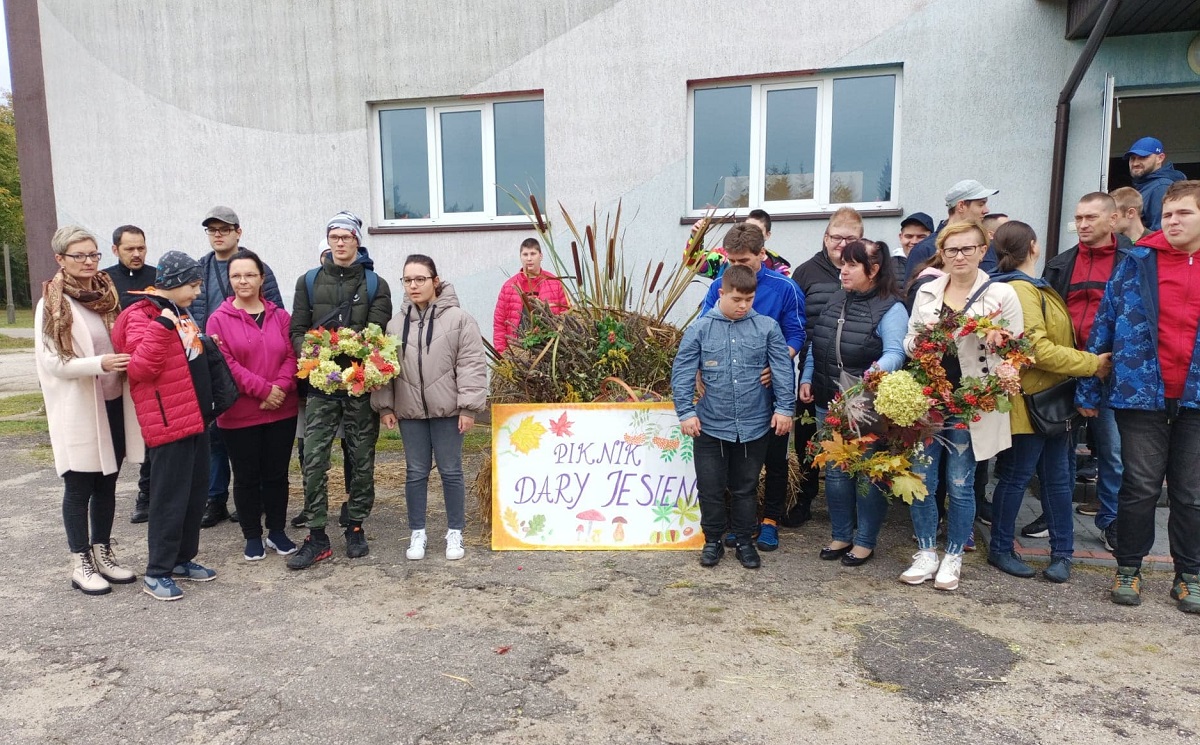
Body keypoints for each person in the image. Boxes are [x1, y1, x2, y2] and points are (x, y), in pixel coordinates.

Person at [1080, 180, 1200, 614]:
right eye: (1168, 214)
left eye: (1183, 213)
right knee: (1140, 487)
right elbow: (1106, 321)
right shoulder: (1137, 261)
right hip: (1140, 391)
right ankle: (1128, 567)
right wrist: (1090, 384)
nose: (1173, 221)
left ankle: (1189, 575)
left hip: (1196, 396)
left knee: (1190, 493)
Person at [988, 221, 1111, 583]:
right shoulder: (1022, 290)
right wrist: (1092, 365)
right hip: (1032, 400)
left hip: (1050, 401)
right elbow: (1037, 350)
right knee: (1017, 477)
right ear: (1034, 246)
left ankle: (1062, 555)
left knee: (1057, 480)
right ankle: (1000, 549)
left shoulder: (1030, 287)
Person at [902, 221, 1022, 591]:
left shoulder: (1001, 294)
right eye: (952, 250)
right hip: (930, 401)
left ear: (982, 250)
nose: (959, 256)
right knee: (922, 479)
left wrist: (998, 342)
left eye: (967, 249)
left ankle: (953, 555)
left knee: (960, 482)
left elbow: (1017, 354)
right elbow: (909, 340)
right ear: (942, 252)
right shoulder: (927, 292)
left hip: (972, 403)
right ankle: (926, 551)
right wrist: (919, 347)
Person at [36, 226, 141, 596]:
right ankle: (80, 560)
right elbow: (52, 363)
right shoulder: (52, 302)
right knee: (79, 485)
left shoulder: (106, 296)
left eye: (93, 254)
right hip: (79, 409)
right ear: (60, 259)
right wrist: (100, 364)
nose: (87, 262)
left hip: (112, 404)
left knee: (107, 483)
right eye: (78, 255)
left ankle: (104, 551)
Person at [287, 212, 392, 569]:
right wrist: (318, 359)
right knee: (313, 461)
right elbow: (297, 329)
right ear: (327, 240)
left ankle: (356, 523)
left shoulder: (376, 284)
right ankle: (317, 535)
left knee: (361, 461)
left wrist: (356, 358)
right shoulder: (309, 281)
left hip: (360, 387)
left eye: (347, 236)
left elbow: (376, 335)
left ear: (357, 241)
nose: (340, 242)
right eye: (334, 236)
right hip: (320, 388)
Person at [672, 264, 795, 569]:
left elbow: (781, 369)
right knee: (711, 487)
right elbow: (683, 371)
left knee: (745, 487)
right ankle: (712, 541)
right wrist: (686, 411)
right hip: (710, 425)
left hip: (754, 425)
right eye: (737, 299)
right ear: (722, 293)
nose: (743, 306)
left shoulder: (767, 327)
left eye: (749, 299)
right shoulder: (700, 329)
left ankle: (744, 540)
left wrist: (784, 409)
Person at [113, 251, 218, 601]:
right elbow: (140, 369)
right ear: (171, 285)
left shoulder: (181, 311)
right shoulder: (141, 316)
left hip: (196, 418)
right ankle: (157, 571)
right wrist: (163, 325)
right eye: (192, 285)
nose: (198, 292)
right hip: (169, 421)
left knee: (193, 494)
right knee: (169, 498)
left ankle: (182, 559)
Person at [799, 240, 908, 566]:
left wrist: (873, 374)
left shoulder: (891, 307)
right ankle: (841, 534)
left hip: (864, 405)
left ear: (873, 270)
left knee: (866, 475)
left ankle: (864, 541)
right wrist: (807, 376)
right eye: (842, 264)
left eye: (851, 265)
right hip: (827, 400)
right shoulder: (836, 297)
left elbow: (896, 353)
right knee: (835, 473)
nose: (842, 270)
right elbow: (819, 342)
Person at [373, 255, 487, 561]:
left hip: (448, 412)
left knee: (451, 472)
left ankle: (455, 532)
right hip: (410, 413)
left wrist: (468, 407)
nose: (413, 286)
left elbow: (472, 365)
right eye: (407, 280)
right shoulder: (395, 324)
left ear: (435, 281)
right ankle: (418, 532)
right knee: (415, 472)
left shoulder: (459, 320)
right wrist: (385, 406)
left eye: (420, 279)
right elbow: (384, 368)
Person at [699, 223, 805, 551]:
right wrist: (701, 368)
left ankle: (770, 520)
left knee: (774, 458)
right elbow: (704, 328)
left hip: (769, 388)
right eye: (732, 261)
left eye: (744, 261)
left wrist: (777, 363)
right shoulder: (720, 285)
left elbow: (797, 334)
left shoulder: (785, 288)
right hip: (730, 392)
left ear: (762, 255)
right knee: (734, 460)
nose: (737, 267)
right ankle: (737, 525)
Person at [1043, 192, 1133, 550]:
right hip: (1067, 367)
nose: (1082, 225)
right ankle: (1055, 514)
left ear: (1113, 220)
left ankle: (1111, 519)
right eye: (1079, 218)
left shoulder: (1133, 260)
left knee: (1112, 450)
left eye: (1091, 218)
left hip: (1112, 370)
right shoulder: (1059, 264)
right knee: (1059, 447)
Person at [192, 206, 284, 530]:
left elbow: (276, 316)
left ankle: (253, 500)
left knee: (253, 443)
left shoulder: (257, 266)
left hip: (250, 364)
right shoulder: (199, 269)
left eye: (224, 229)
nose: (218, 234)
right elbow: (192, 311)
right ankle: (215, 499)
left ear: (238, 232)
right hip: (211, 361)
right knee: (215, 435)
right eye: (212, 229)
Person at [205, 249, 300, 561]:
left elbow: (291, 355)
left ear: (262, 278)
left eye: (249, 275)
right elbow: (227, 364)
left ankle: (276, 531)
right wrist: (263, 391)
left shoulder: (281, 317)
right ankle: (251, 535)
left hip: (281, 411)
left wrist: (281, 388)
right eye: (236, 276)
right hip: (241, 414)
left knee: (276, 475)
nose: (242, 281)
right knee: (246, 477)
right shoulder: (217, 320)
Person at [790, 209, 864, 528]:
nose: (842, 244)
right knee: (809, 437)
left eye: (850, 238)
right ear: (826, 237)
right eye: (837, 237)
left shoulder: (869, 272)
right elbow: (793, 321)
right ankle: (805, 499)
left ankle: (855, 509)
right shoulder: (805, 273)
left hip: (856, 376)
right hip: (812, 369)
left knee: (857, 442)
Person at [101, 224, 156, 524]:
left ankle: (146, 494)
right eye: (129, 249)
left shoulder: (157, 277)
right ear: (115, 249)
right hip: (116, 368)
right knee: (118, 435)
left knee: (150, 434)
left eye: (141, 248)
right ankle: (104, 491)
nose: (136, 254)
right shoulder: (104, 280)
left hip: (150, 369)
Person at [903, 179, 1000, 281]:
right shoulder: (924, 250)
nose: (986, 210)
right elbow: (913, 293)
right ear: (961, 206)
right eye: (981, 204)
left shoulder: (987, 245)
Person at [492, 237, 569, 354]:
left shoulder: (555, 283)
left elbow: (566, 317)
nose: (529, 258)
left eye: (533, 254)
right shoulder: (509, 287)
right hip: (517, 352)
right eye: (525, 254)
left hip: (550, 351)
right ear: (520, 257)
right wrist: (502, 354)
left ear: (541, 256)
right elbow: (499, 324)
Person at [686, 209, 792, 279]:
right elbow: (693, 263)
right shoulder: (724, 256)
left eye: (756, 230)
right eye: (747, 228)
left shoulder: (780, 268)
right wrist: (696, 238)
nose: (750, 233)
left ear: (767, 235)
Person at [1125, 136, 1187, 231]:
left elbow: (1161, 232)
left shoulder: (1161, 187)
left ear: (1160, 158)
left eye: (1143, 157)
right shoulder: (1145, 184)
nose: (1135, 163)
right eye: (1132, 158)